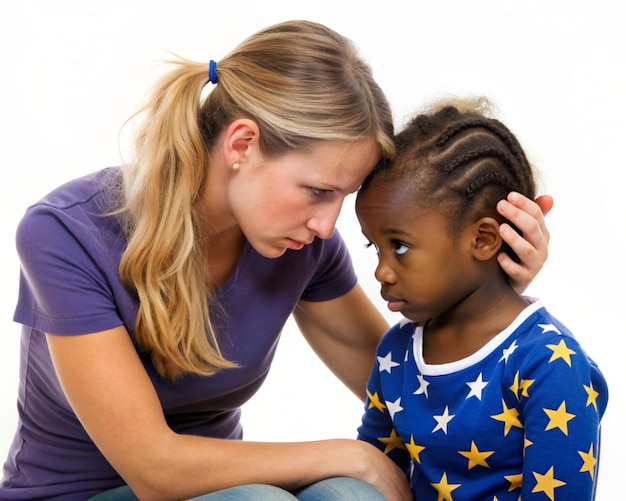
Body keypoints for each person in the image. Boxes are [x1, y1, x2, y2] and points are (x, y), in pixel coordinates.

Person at [0, 20, 552, 501]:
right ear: (242, 145)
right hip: (81, 493)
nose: (327, 224)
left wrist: (486, 289)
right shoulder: (64, 235)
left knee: (348, 497)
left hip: (231, 493)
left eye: (343, 196)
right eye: (316, 191)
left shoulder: (301, 246)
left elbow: (407, 393)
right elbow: (154, 470)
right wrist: (353, 455)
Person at [355, 97, 607, 500]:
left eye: (399, 247)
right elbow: (367, 475)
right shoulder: (398, 349)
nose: (381, 272)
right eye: (375, 248)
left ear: (483, 239)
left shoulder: (549, 364)